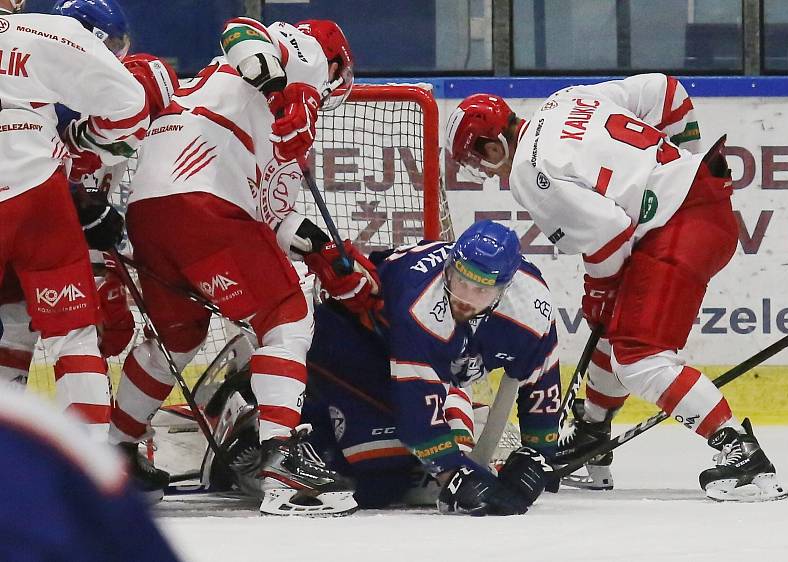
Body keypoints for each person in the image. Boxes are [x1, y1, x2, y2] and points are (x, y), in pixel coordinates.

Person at [445, 74, 787, 502]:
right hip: (701, 205)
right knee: (617, 330)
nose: (487, 172)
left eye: (480, 163)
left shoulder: (528, 172)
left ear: (493, 147)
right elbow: (667, 93)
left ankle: (742, 455)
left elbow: (608, 233)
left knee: (639, 359)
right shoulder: (565, 99)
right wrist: (685, 166)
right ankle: (591, 431)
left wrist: (600, 290)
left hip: (679, 228)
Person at [108, 16, 367, 514]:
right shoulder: (307, 54)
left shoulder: (274, 136)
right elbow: (240, 30)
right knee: (287, 317)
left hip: (152, 211)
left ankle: (114, 454)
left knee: (176, 338)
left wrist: (320, 250)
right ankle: (282, 463)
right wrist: (284, 91)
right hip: (202, 199)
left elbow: (275, 220)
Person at [204, 221, 559, 515]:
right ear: (450, 266)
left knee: (419, 469)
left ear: (504, 288)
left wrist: (538, 454)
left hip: (420, 366)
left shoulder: (531, 307)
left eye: (479, 291)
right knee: (379, 482)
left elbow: (542, 377)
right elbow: (418, 421)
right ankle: (255, 425)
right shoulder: (423, 303)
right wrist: (455, 473)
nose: (463, 298)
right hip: (350, 344)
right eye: (459, 280)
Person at [0, 0, 147, 440]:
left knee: (12, 319)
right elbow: (131, 105)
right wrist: (86, 146)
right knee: (74, 333)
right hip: (34, 188)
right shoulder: (43, 31)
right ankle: (91, 471)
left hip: (40, 189)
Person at [0, 383, 182, 561]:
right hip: (95, 477)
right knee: (77, 351)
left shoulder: (22, 424)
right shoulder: (28, 426)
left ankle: (119, 451)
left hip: (94, 476)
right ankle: (119, 450)